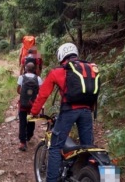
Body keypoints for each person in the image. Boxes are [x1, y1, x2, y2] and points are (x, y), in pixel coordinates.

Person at [30, 42, 95, 181]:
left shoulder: (58, 72)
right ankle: (85, 173)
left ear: (61, 56)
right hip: (87, 112)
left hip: (69, 111)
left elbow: (43, 94)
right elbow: (92, 92)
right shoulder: (89, 70)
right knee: (88, 147)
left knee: (55, 146)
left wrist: (34, 111)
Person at [17, 62, 43, 151]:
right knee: (31, 121)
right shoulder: (38, 79)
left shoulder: (21, 77)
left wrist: (24, 96)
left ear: (26, 68)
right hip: (33, 105)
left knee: (22, 122)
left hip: (23, 104)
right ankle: (29, 135)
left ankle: (22, 143)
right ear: (35, 69)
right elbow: (40, 92)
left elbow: (18, 90)